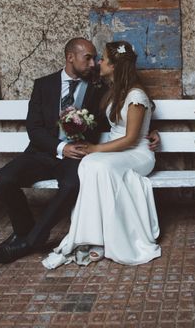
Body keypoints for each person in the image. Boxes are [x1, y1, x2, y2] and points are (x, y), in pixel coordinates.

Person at [0, 38, 159, 264]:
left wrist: (150, 130)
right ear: (71, 57)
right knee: (3, 179)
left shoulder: (100, 87)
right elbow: (34, 128)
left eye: (98, 58)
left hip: (78, 155)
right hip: (43, 152)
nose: (94, 64)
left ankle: (32, 239)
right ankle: (25, 231)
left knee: (72, 184)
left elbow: (132, 110)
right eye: (88, 58)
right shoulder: (44, 85)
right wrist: (61, 147)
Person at [42, 40, 160, 269]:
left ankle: (110, 238)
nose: (99, 63)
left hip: (138, 153)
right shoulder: (114, 91)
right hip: (119, 150)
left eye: (104, 59)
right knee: (88, 165)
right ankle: (93, 237)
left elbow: (131, 138)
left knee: (98, 164)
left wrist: (95, 149)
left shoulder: (135, 95)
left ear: (115, 66)